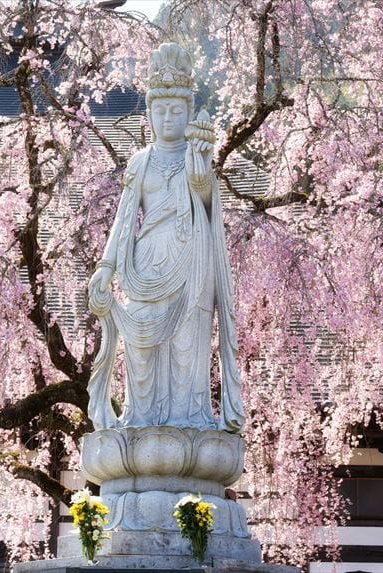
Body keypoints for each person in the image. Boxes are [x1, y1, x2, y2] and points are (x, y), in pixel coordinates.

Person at [87, 43, 244, 433]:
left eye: (176, 110)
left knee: (186, 347)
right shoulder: (141, 162)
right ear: (149, 114)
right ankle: (140, 420)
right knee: (140, 352)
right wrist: (106, 267)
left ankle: (188, 422)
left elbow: (208, 202)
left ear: (189, 112)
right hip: (144, 264)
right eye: (160, 110)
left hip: (189, 262)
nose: (168, 118)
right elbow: (124, 219)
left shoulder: (195, 158)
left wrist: (199, 174)